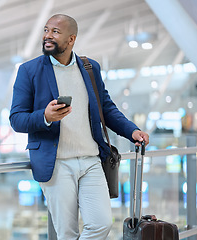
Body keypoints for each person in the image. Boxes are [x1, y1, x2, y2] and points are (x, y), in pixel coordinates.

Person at [9, 14, 149, 239]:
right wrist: (45, 117)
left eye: (55, 32)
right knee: (67, 233)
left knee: (101, 224)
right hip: (56, 164)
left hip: (91, 161)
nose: (47, 35)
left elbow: (106, 108)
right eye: (46, 30)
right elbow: (16, 119)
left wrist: (131, 130)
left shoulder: (90, 68)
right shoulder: (29, 70)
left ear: (71, 39)